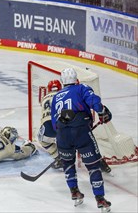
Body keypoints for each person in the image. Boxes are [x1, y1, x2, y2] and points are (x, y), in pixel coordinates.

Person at [50, 68, 112, 212]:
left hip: (62, 135)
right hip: (81, 132)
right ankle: (100, 200)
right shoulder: (81, 88)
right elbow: (94, 101)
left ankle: (75, 193)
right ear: (76, 79)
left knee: (68, 163)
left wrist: (65, 133)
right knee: (93, 166)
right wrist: (102, 112)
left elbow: (54, 124)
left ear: (62, 82)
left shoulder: (56, 97)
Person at [38, 80, 111, 173]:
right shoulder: (64, 95)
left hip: (48, 126)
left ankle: (58, 156)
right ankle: (100, 162)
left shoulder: (45, 98)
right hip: (65, 125)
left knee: (43, 140)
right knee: (83, 141)